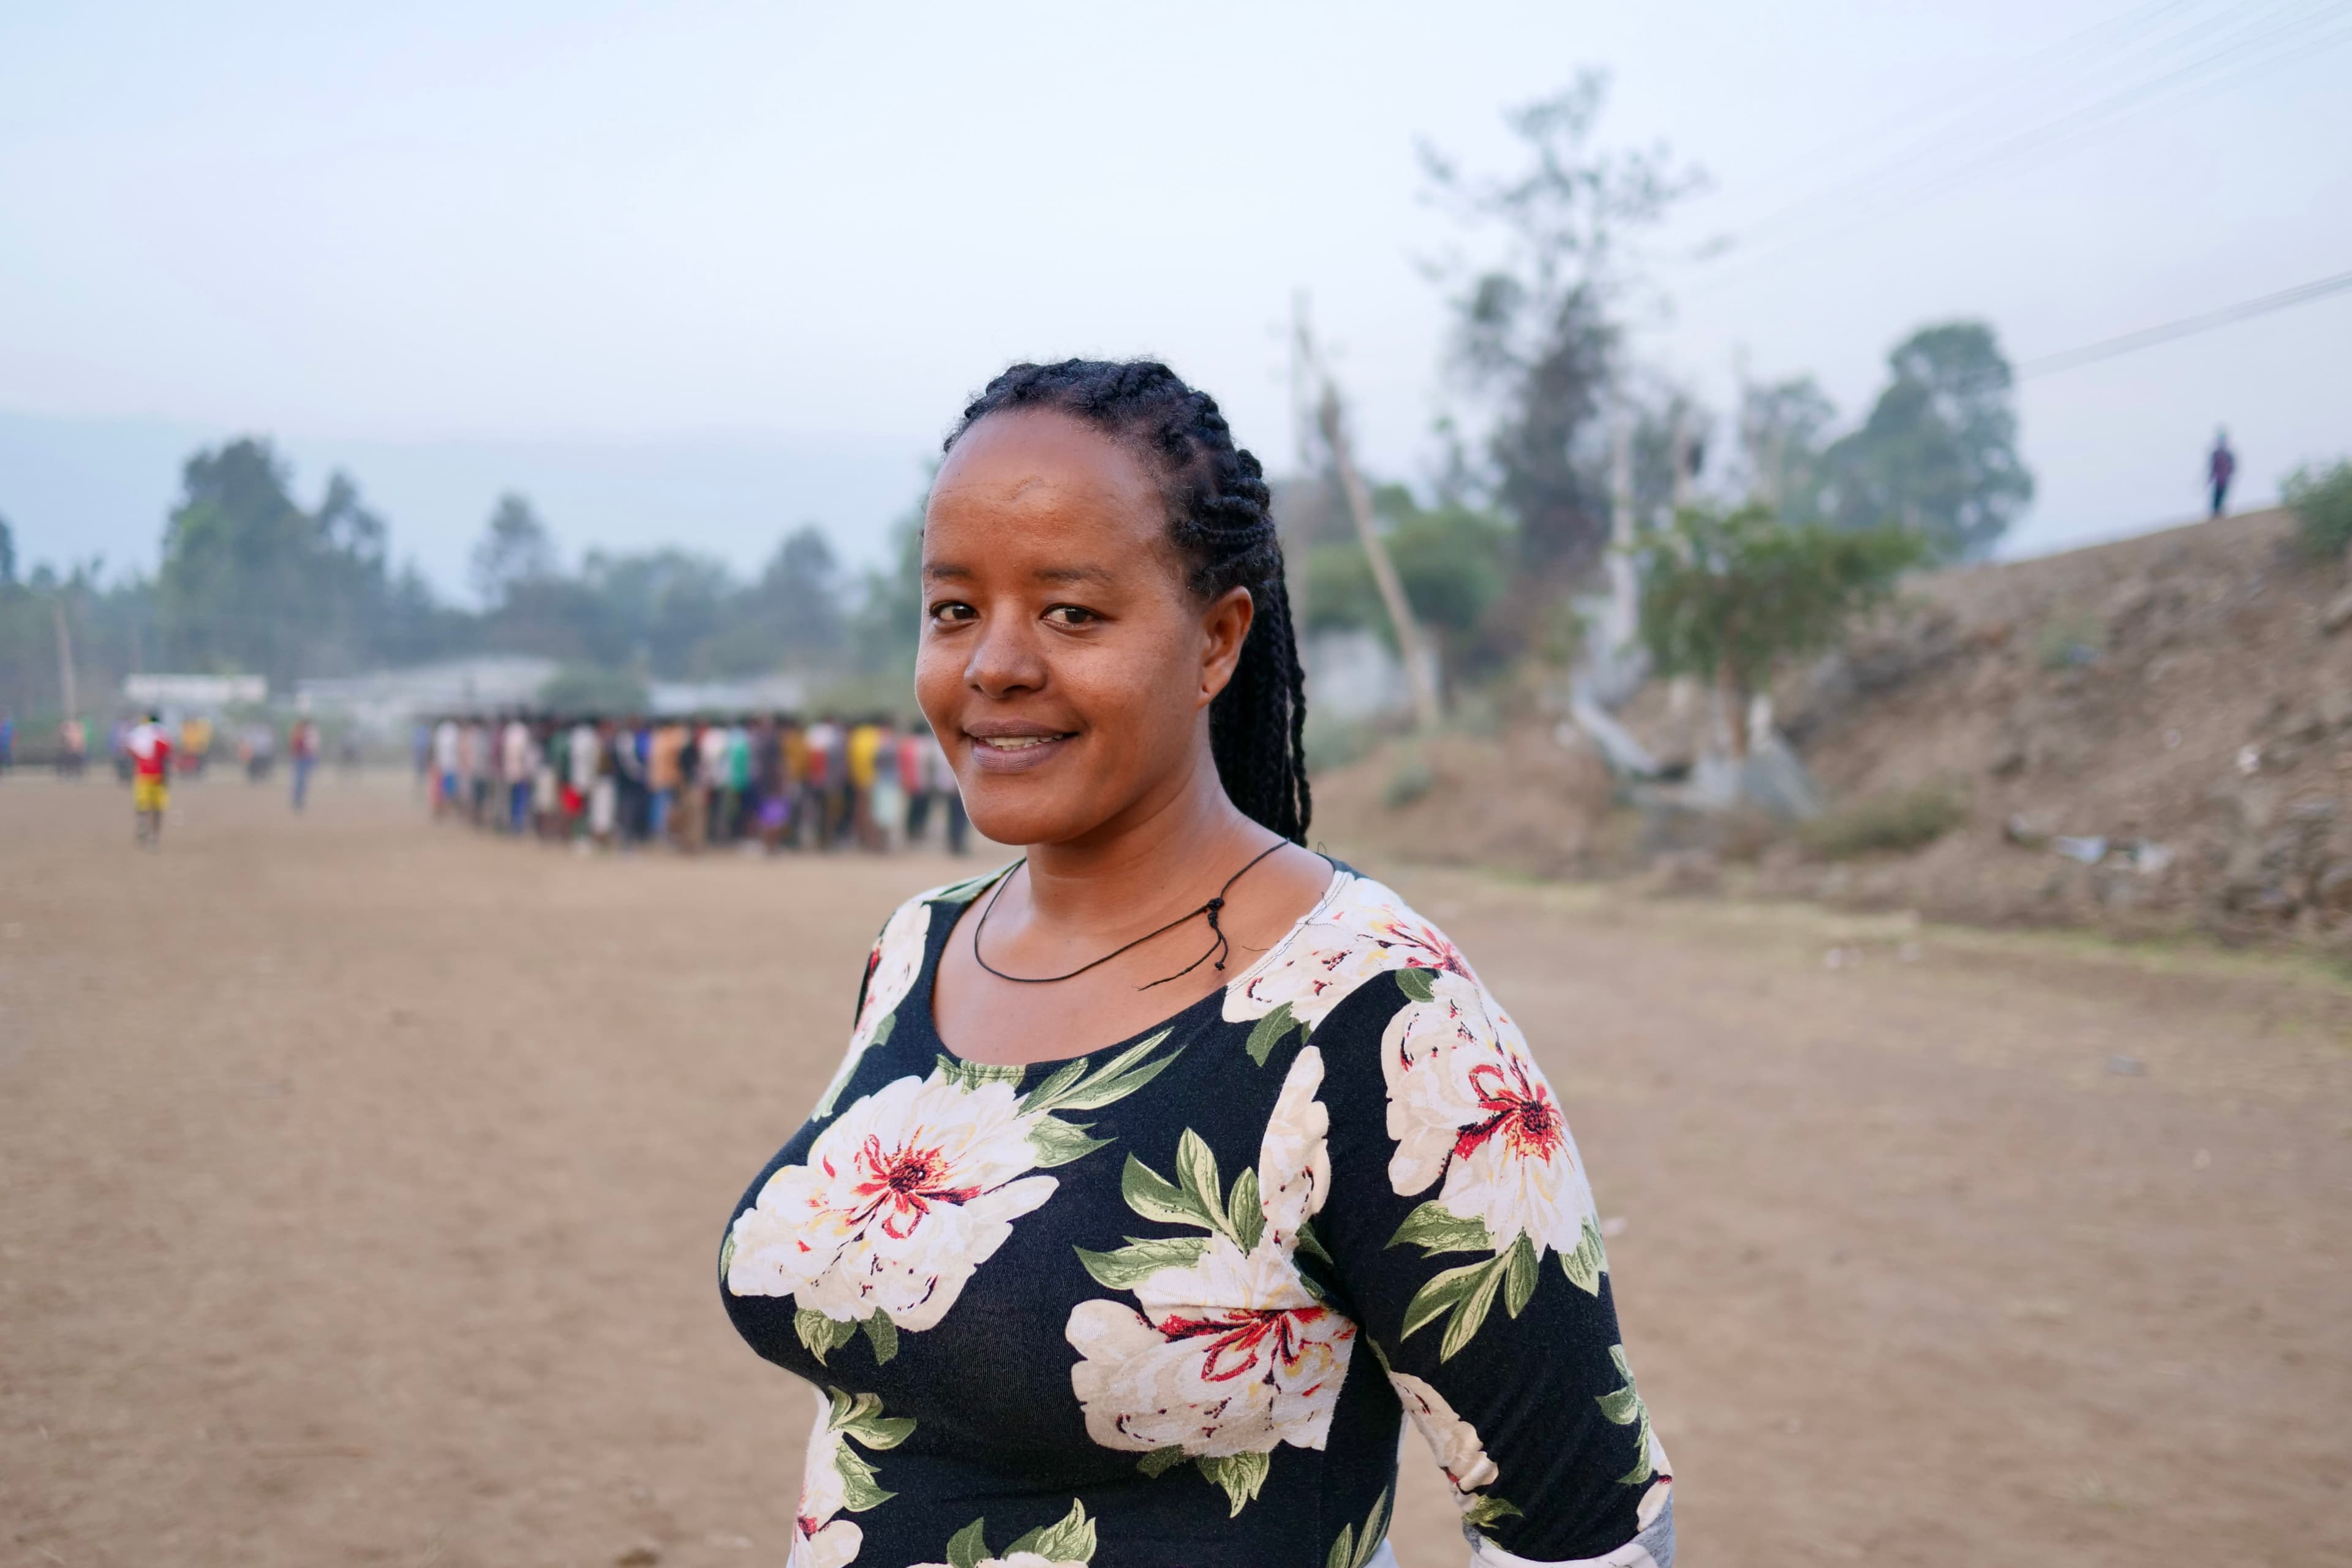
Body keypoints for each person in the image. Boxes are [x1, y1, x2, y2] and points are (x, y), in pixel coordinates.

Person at [717, 360, 1672, 1568]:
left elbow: (1585, 1526)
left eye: (1071, 612)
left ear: (1217, 638)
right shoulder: (917, 950)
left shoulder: (1381, 1017)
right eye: (956, 608)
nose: (993, 663)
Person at [126, 710, 171, 846]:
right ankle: (155, 836)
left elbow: (131, 750)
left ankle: (142, 825)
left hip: (142, 774)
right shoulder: (162, 733)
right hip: (158, 775)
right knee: (158, 808)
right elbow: (166, 755)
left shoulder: (138, 732)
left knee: (142, 805)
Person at [288, 716, 320, 810]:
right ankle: (297, 801)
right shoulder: (299, 734)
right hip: (300, 759)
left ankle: (299, 801)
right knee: (300, 781)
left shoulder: (307, 734)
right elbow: (295, 747)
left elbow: (313, 748)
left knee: (302, 781)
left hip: (305, 759)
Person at [433, 717, 462, 818]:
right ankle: (447, 810)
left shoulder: (442, 731)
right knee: (448, 790)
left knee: (446, 790)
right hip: (449, 766)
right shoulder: (454, 731)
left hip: (447, 765)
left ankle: (446, 810)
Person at [2208, 428, 2236, 519]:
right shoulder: (2216, 454)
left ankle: (2219, 513)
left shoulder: (2227, 454)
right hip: (2219, 479)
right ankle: (2216, 513)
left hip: (2224, 479)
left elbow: (2232, 466)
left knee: (2221, 496)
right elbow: (2213, 467)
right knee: (2217, 497)